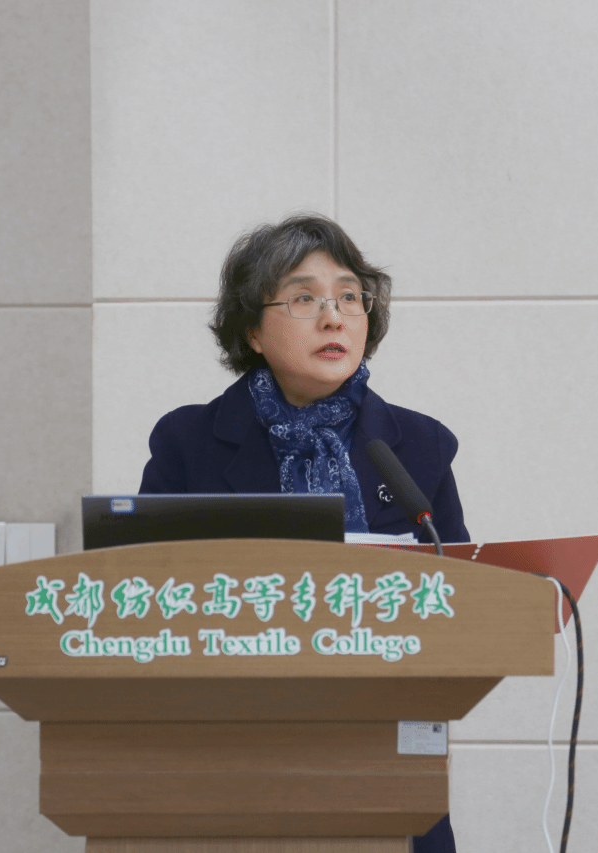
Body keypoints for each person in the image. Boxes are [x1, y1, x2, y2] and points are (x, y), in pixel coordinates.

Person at [138, 214, 465, 852]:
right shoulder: (188, 443)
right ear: (252, 330)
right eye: (304, 298)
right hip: (228, 747)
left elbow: (462, 597)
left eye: (349, 297)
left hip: (383, 747)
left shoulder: (419, 447)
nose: (334, 317)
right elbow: (145, 601)